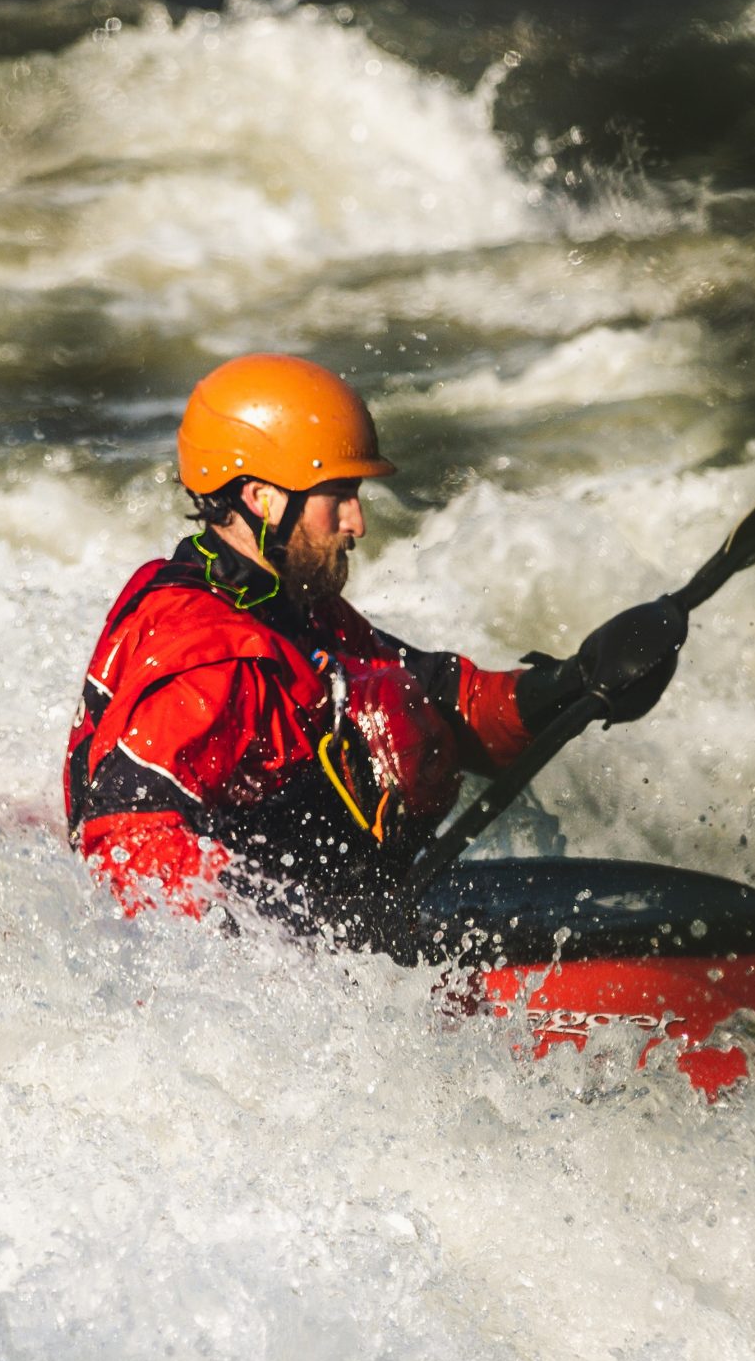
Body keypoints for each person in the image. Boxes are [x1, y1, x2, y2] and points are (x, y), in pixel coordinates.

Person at [64, 353, 685, 944]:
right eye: (338, 498)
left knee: (394, 708)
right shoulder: (212, 658)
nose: (357, 522)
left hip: (337, 917)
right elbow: (124, 848)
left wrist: (574, 687)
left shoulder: (289, 609)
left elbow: (451, 701)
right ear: (262, 499)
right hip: (262, 972)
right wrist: (310, 930)